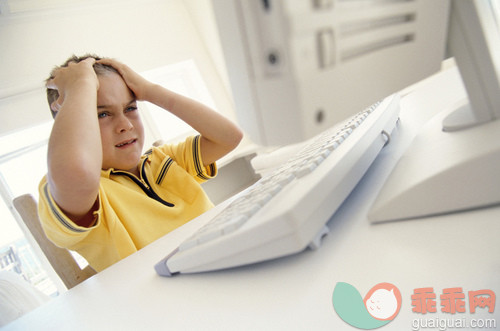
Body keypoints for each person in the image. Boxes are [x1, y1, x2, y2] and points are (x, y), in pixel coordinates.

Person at [38, 54, 243, 272]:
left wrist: (150, 90)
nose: (125, 125)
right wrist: (81, 86)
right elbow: (76, 172)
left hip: (225, 262)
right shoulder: (82, 193)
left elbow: (229, 137)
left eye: (130, 108)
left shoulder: (163, 160)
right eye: (102, 114)